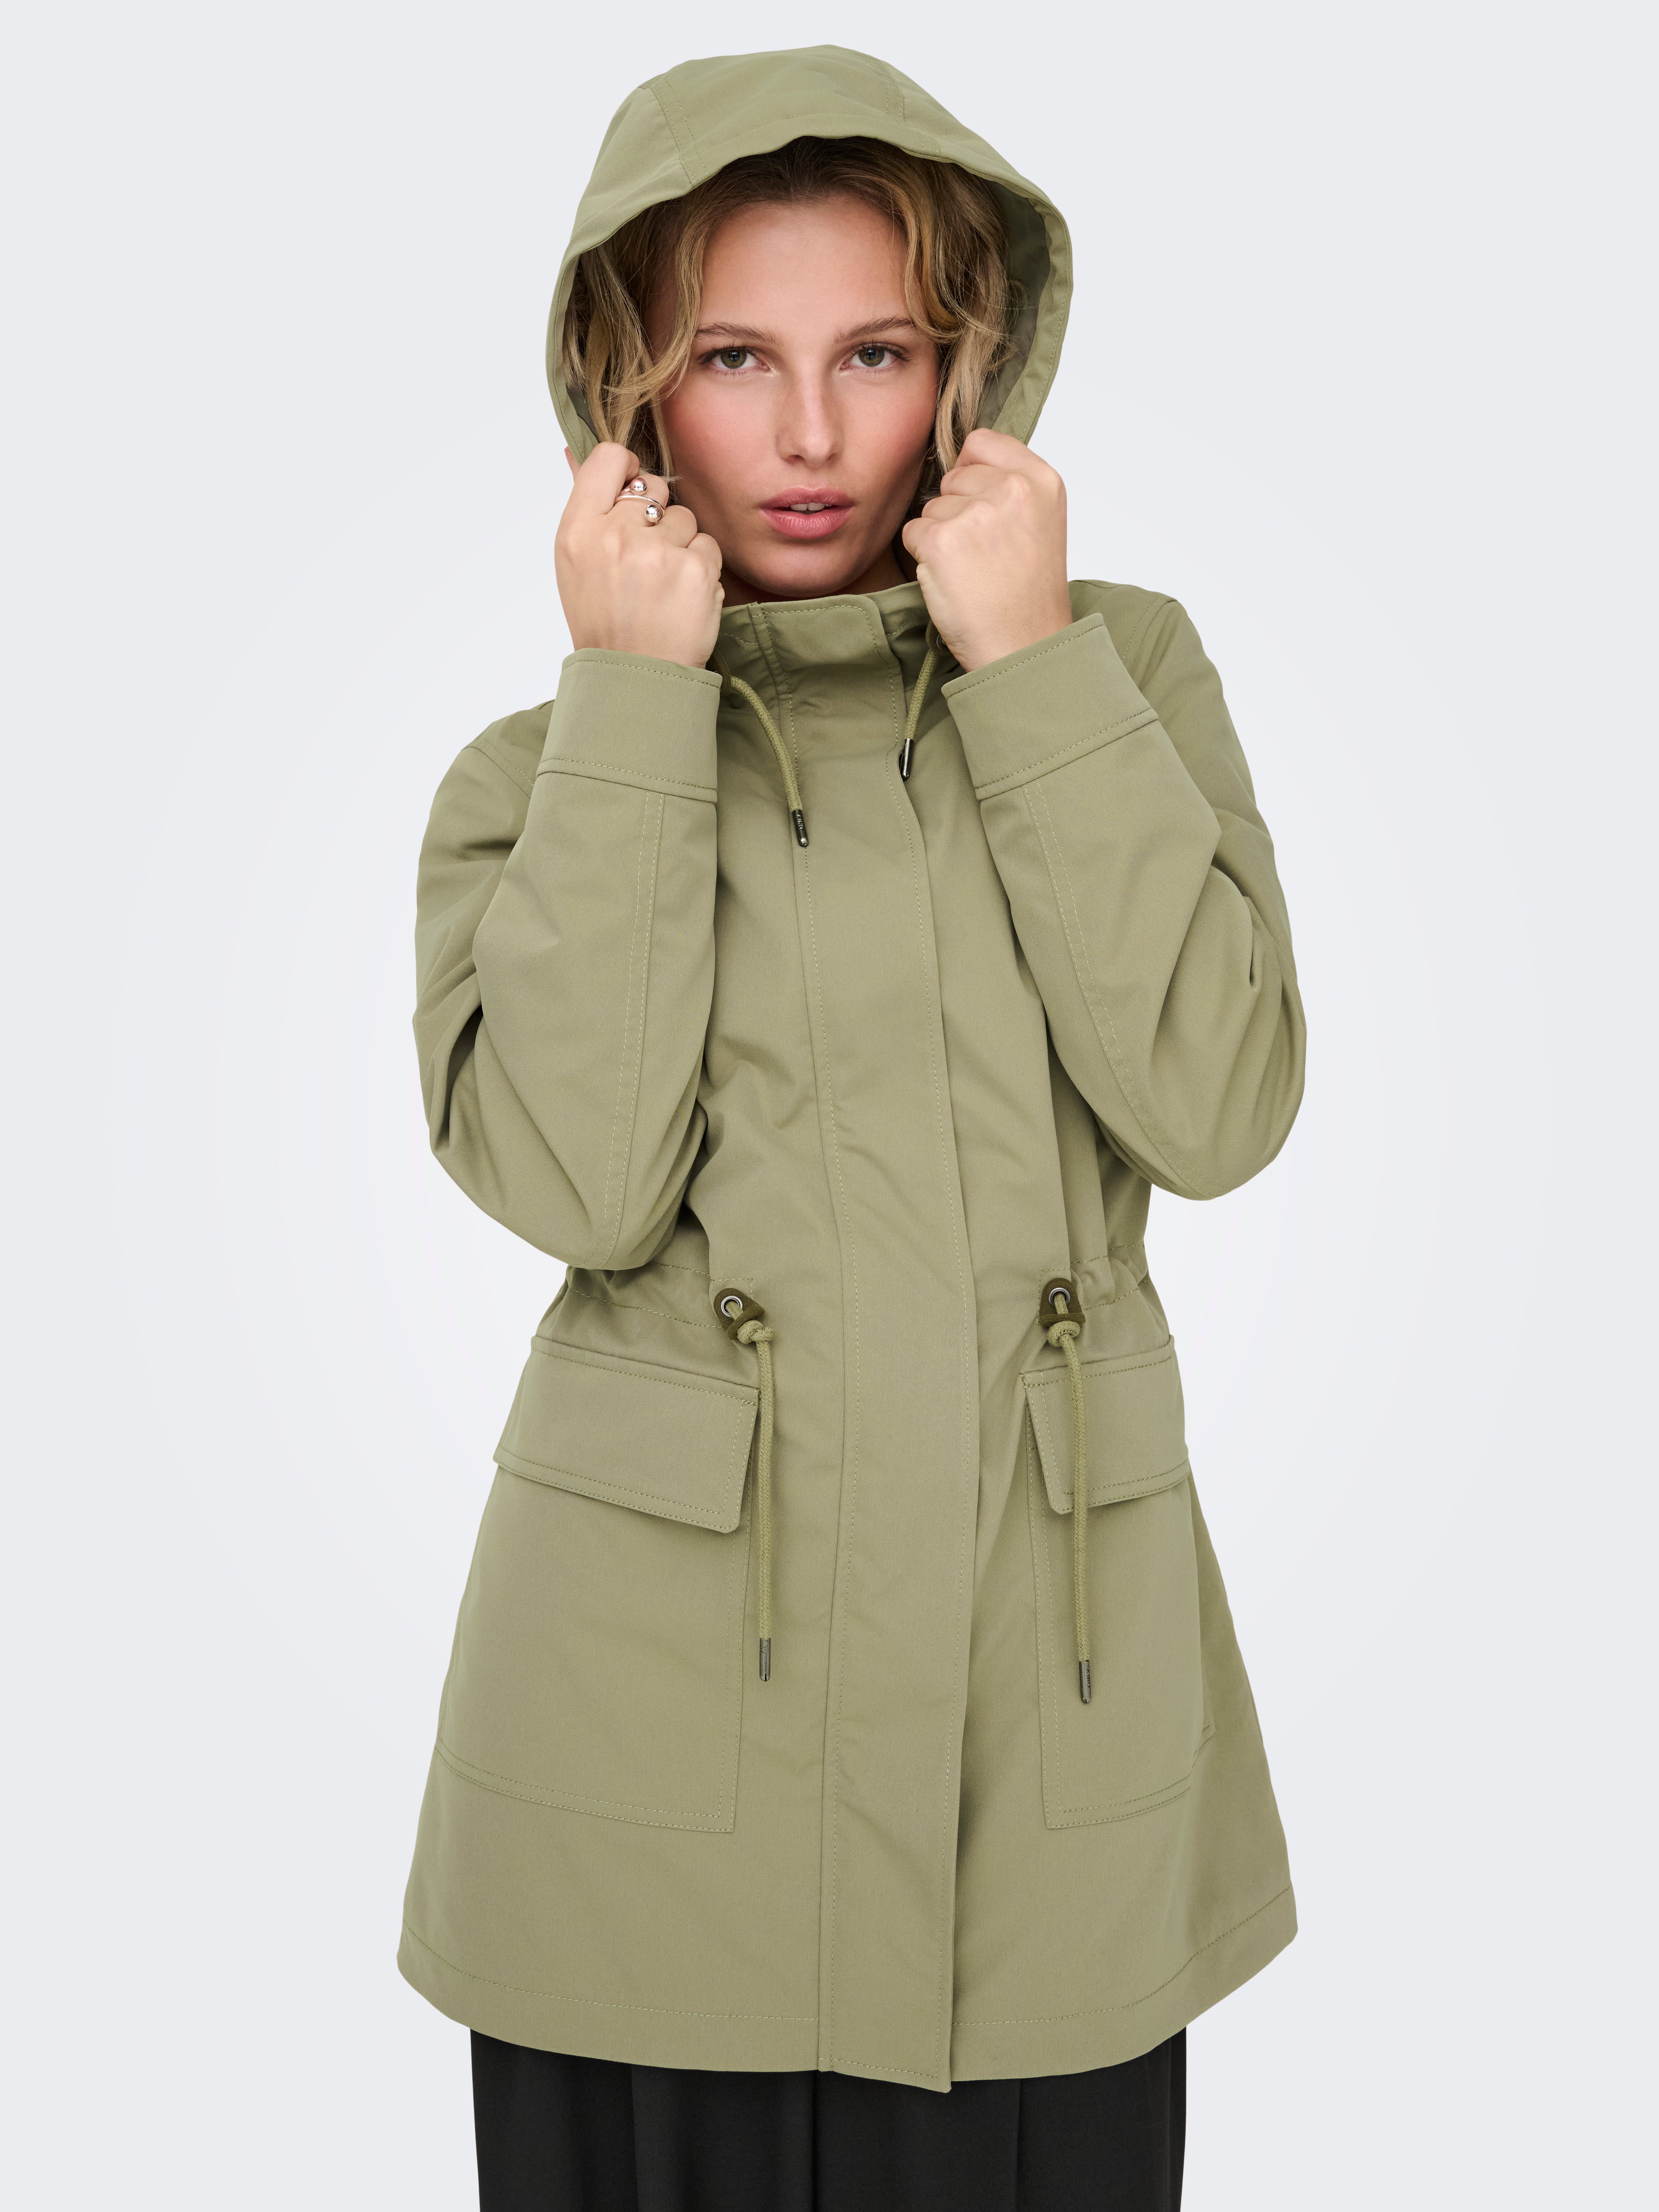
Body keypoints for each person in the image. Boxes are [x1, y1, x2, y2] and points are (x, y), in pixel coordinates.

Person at [399, 43, 1305, 2212]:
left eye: (874, 353)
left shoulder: (1116, 681)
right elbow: (578, 1179)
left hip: (1044, 1769)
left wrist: (1033, 676)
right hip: (640, 1785)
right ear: (629, 387)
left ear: (967, 371)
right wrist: (635, 710)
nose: (810, 436)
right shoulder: (539, 779)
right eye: (735, 357)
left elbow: (1219, 1106)